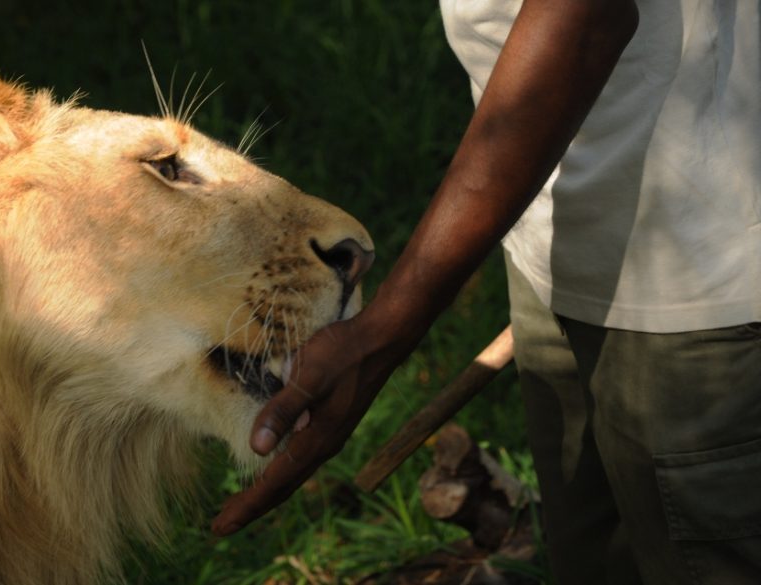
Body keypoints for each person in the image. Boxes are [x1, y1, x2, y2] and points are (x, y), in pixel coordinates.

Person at [213, 1, 761, 583]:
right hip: (547, 240)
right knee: (591, 559)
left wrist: (380, 335)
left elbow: (584, 18)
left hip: (697, 279)